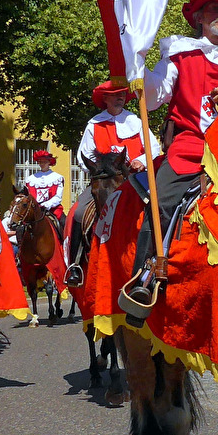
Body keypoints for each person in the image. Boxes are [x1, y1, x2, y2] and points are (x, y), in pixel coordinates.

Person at [120, 0, 218, 319]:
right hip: (190, 148)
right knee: (161, 200)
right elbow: (156, 95)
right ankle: (144, 276)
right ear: (200, 18)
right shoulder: (180, 53)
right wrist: (138, 66)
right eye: (215, 9)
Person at [64, 81, 162, 287]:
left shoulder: (136, 121)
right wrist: (98, 168)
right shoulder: (94, 124)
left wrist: (141, 161)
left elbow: (153, 148)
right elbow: (83, 156)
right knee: (78, 213)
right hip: (104, 178)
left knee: (159, 207)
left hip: (134, 177)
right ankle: (75, 266)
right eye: (115, 95)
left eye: (122, 95)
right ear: (105, 99)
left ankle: (160, 257)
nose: (120, 98)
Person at [22, 150, 66, 236]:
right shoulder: (31, 179)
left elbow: (58, 197)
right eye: (40, 162)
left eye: (44, 162)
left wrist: (46, 205)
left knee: (66, 223)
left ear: (49, 162)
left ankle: (66, 242)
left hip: (53, 209)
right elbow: (28, 196)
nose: (42, 164)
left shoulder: (58, 178)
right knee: (21, 225)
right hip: (34, 210)